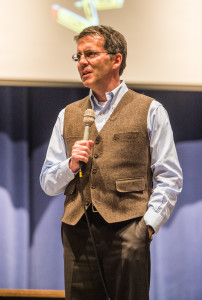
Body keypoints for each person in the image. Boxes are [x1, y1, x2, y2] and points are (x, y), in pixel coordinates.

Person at [40, 25, 183, 300]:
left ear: (116, 59)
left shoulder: (150, 110)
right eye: (78, 56)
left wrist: (146, 228)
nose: (82, 62)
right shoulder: (68, 114)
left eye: (90, 54)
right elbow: (47, 182)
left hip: (128, 231)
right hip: (77, 235)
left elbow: (169, 177)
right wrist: (70, 165)